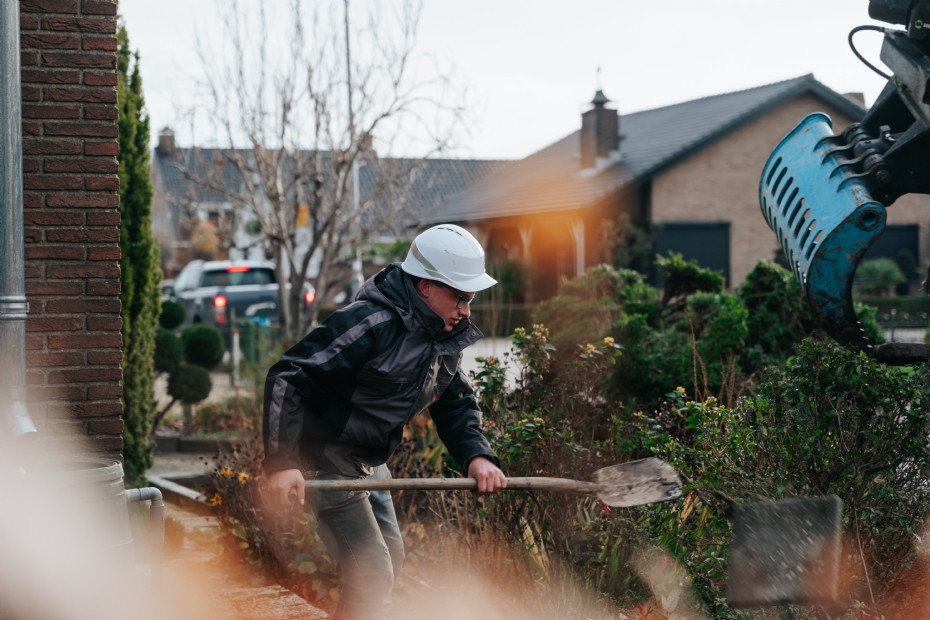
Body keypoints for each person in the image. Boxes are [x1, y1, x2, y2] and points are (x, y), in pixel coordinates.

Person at [262, 224, 507, 620]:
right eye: (459, 298)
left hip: (370, 462)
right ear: (425, 286)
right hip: (326, 459)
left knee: (390, 558)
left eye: (471, 299)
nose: (466, 311)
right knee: (372, 573)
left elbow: (456, 403)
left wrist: (478, 456)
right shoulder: (370, 322)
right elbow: (289, 376)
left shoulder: (444, 340)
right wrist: (282, 461)